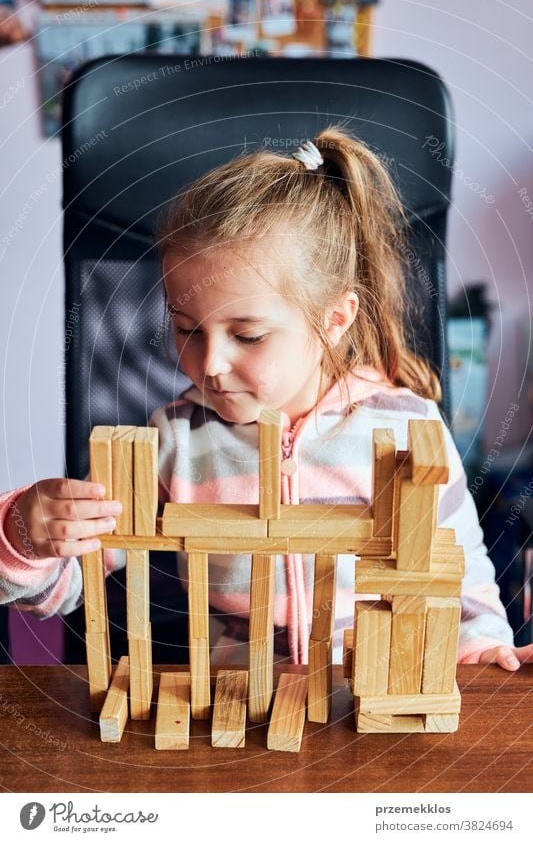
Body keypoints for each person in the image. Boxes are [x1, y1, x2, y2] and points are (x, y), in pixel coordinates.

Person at [1, 127, 531, 671]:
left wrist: (486, 650)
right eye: (187, 330)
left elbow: (460, 577)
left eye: (248, 336)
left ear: (334, 319)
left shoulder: (405, 429)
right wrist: (23, 535)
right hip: (240, 710)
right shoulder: (173, 439)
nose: (209, 364)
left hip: (374, 701)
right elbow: (64, 591)